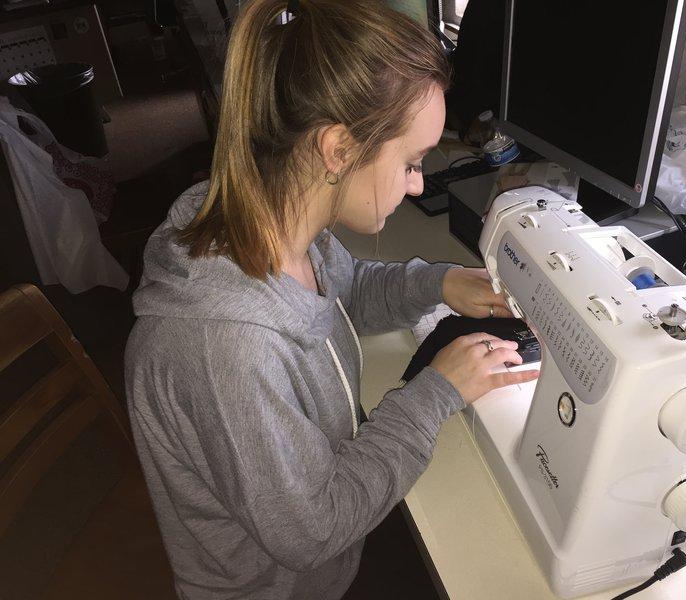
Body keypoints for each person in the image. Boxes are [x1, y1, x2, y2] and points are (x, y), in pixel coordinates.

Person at [124, 1, 538, 598]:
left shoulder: (278, 220)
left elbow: (343, 293)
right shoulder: (225, 349)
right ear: (339, 149)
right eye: (412, 163)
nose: (420, 183)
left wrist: (440, 282)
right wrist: (437, 393)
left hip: (323, 547)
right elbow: (314, 531)